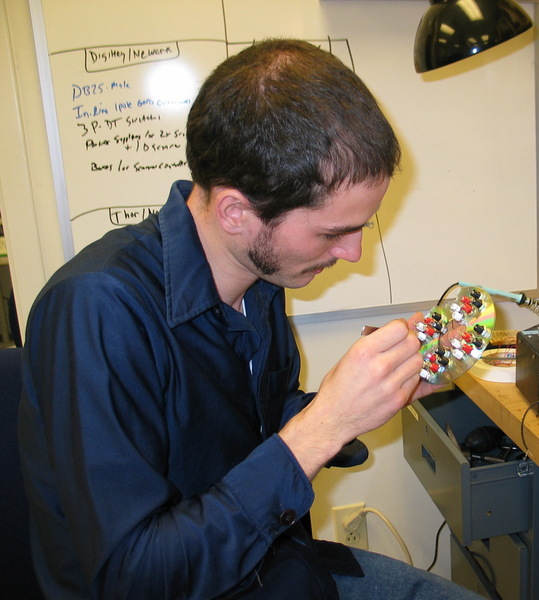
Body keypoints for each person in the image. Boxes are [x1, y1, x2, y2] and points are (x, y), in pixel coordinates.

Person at [18, 39, 484, 600]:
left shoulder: (259, 279)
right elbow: (135, 577)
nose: (354, 253)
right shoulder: (98, 309)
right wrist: (324, 425)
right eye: (333, 232)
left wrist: (368, 398)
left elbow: (260, 427)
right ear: (236, 212)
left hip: (275, 564)